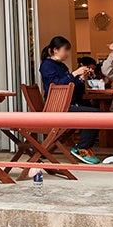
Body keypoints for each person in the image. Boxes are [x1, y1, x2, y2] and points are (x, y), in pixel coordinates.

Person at [39, 36, 101, 165]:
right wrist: (73, 74)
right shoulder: (47, 65)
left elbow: (71, 87)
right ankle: (82, 148)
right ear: (55, 50)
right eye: (65, 50)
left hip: (66, 103)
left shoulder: (61, 66)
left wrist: (81, 78)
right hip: (56, 106)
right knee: (95, 114)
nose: (67, 53)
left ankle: (84, 146)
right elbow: (56, 86)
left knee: (96, 112)